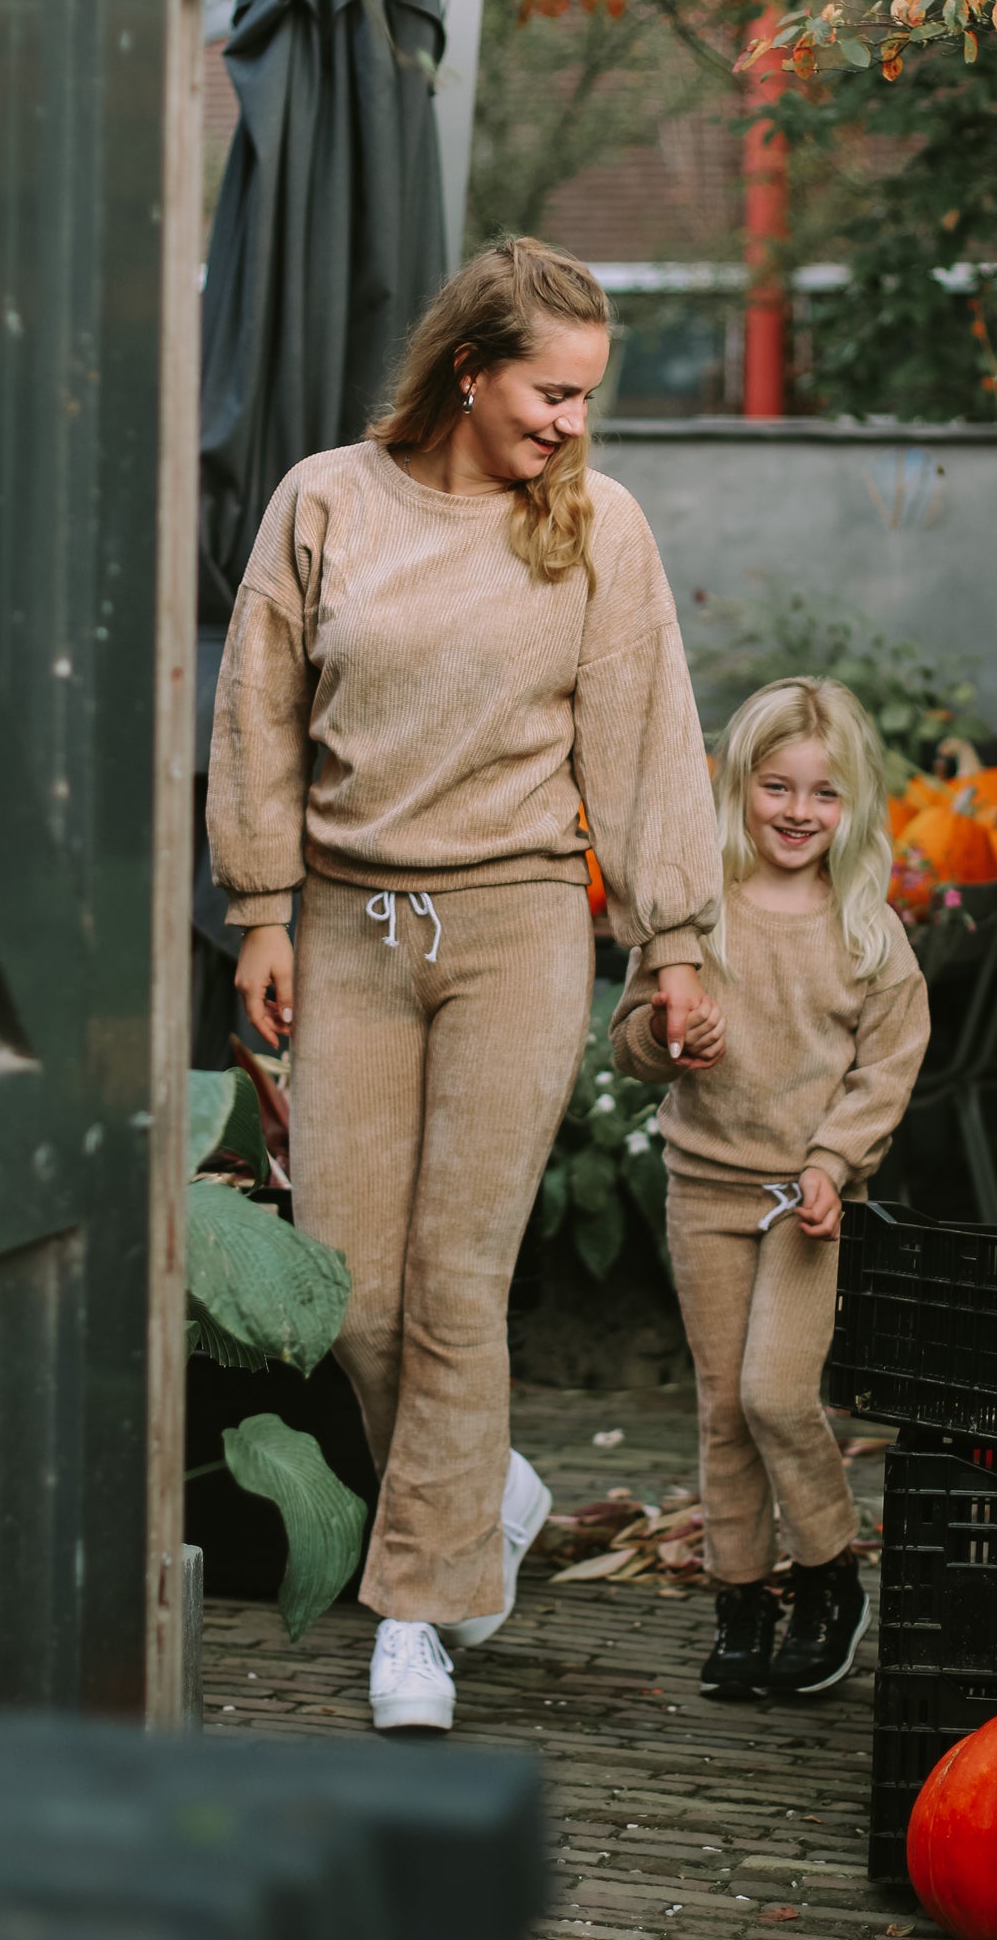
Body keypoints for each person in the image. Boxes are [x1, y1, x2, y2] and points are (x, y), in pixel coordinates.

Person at [207, 237, 723, 1734]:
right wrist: (260, 910)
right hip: (349, 928)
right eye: (551, 393)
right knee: (350, 1286)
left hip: (517, 930)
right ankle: (480, 1483)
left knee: (455, 1279)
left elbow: (645, 738)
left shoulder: (596, 526)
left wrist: (674, 942)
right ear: (468, 369)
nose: (573, 422)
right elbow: (257, 710)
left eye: (586, 397)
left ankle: (415, 1617)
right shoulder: (325, 501)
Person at [611, 676, 929, 1701]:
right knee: (721, 1408)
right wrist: (666, 1036)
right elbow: (627, 1043)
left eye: (823, 792)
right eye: (776, 786)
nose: (797, 811)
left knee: (775, 1395)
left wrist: (833, 1164)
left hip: (806, 1202)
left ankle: (829, 1572)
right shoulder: (694, 915)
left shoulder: (866, 931)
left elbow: (886, 1067)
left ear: (853, 806)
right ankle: (741, 1597)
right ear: (737, 786)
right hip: (702, 1189)